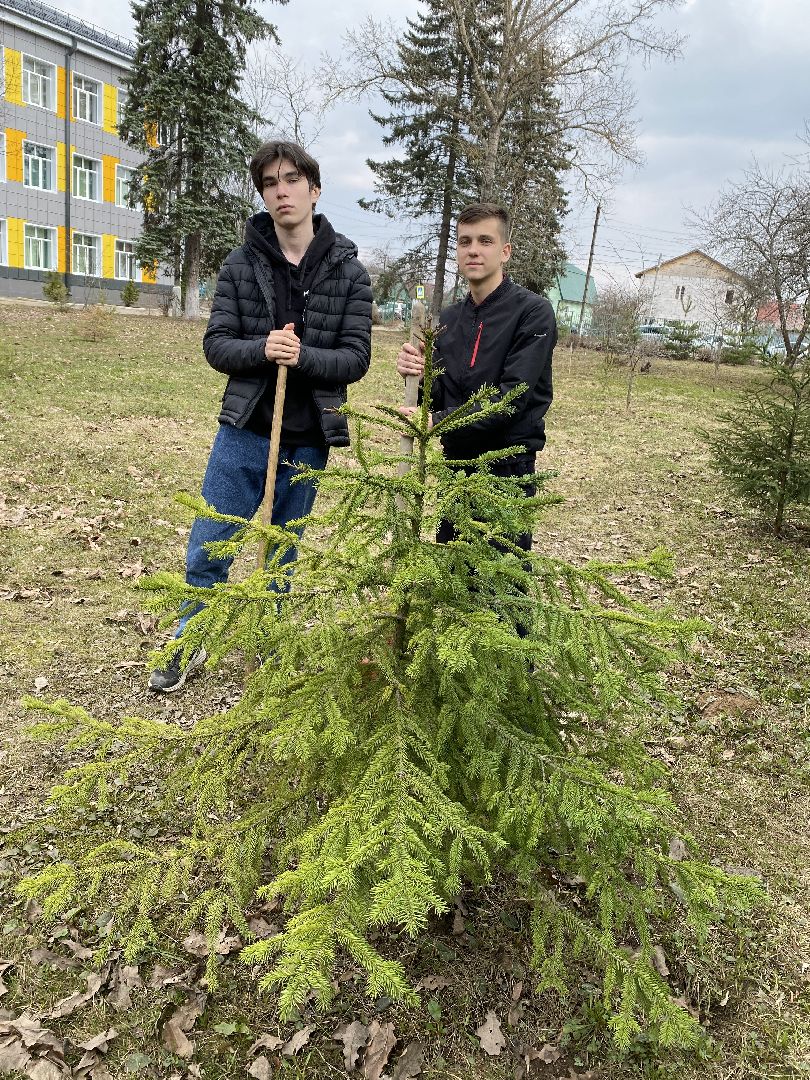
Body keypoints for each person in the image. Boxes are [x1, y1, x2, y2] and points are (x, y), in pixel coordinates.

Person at [149, 140, 373, 692]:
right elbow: (217, 344)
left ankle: (268, 651)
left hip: (308, 437)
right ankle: (189, 640)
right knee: (211, 539)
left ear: (314, 190)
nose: (281, 190)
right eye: (270, 183)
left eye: (292, 179)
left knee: (282, 553)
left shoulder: (349, 270)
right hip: (247, 429)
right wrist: (262, 350)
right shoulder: (241, 263)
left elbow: (356, 357)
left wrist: (304, 357)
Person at [396, 201, 555, 589]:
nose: (473, 250)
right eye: (465, 241)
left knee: (504, 584)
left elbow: (511, 397)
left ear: (505, 251)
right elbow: (440, 396)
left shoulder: (532, 314)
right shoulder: (448, 320)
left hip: (506, 469)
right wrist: (416, 376)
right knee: (455, 581)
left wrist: (434, 421)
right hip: (456, 466)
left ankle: (516, 650)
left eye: (485, 240)